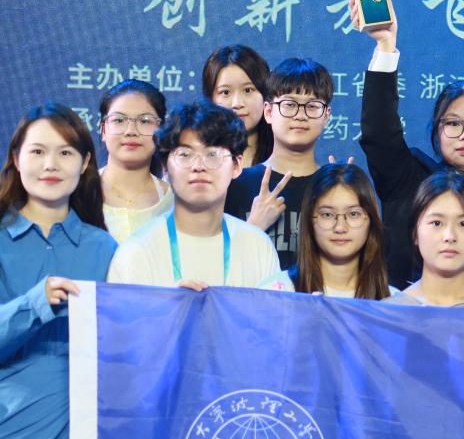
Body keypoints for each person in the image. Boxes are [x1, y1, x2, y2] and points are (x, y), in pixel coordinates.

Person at [354, 0, 464, 301]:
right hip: (407, 327)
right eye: (453, 123)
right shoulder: (408, 181)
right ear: (437, 131)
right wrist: (386, 46)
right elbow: (378, 130)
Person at [0, 103, 117, 439]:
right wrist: (36, 302)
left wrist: (176, 305)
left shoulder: (106, 247)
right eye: (37, 151)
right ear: (16, 158)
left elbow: (132, 333)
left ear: (85, 163)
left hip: (91, 431)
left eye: (65, 152)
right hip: (13, 432)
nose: (50, 164)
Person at [107, 101, 286, 290]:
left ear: (236, 166)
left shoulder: (258, 247)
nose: (198, 166)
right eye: (185, 155)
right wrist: (167, 304)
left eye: (213, 154)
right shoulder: (136, 253)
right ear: (165, 168)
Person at [223, 58, 334, 271]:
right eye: (289, 105)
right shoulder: (236, 184)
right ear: (268, 112)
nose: (300, 115)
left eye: (312, 106)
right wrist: (254, 226)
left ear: (326, 116)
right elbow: (216, 266)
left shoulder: (333, 188)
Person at [385, 172, 464, 307]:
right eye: (437, 223)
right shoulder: (386, 314)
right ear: (415, 234)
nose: (450, 236)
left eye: (463, 224)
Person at [293, 163, 391, 299]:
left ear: (371, 220)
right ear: (309, 220)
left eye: (353, 214)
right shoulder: (277, 293)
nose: (340, 228)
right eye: (327, 214)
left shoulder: (394, 302)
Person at [98, 79, 174, 242]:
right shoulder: (78, 192)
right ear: (104, 130)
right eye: (119, 120)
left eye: (144, 121)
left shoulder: (175, 202)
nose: (131, 131)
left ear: (160, 130)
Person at [203, 44, 274, 168]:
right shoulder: (198, 162)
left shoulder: (283, 157)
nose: (237, 103)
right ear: (210, 99)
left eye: (247, 90)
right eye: (225, 92)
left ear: (265, 94)